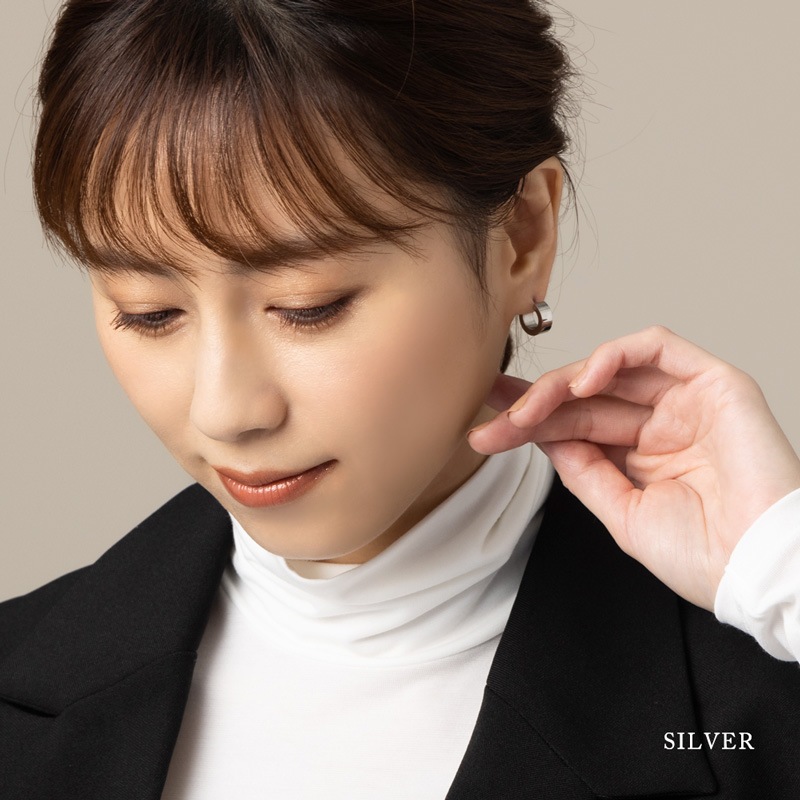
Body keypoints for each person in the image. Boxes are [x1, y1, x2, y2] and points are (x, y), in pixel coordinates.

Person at [1, 1, 799, 798]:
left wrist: (782, 569)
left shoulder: (759, 711)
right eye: (149, 313)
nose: (226, 412)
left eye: (307, 306)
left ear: (522, 236)